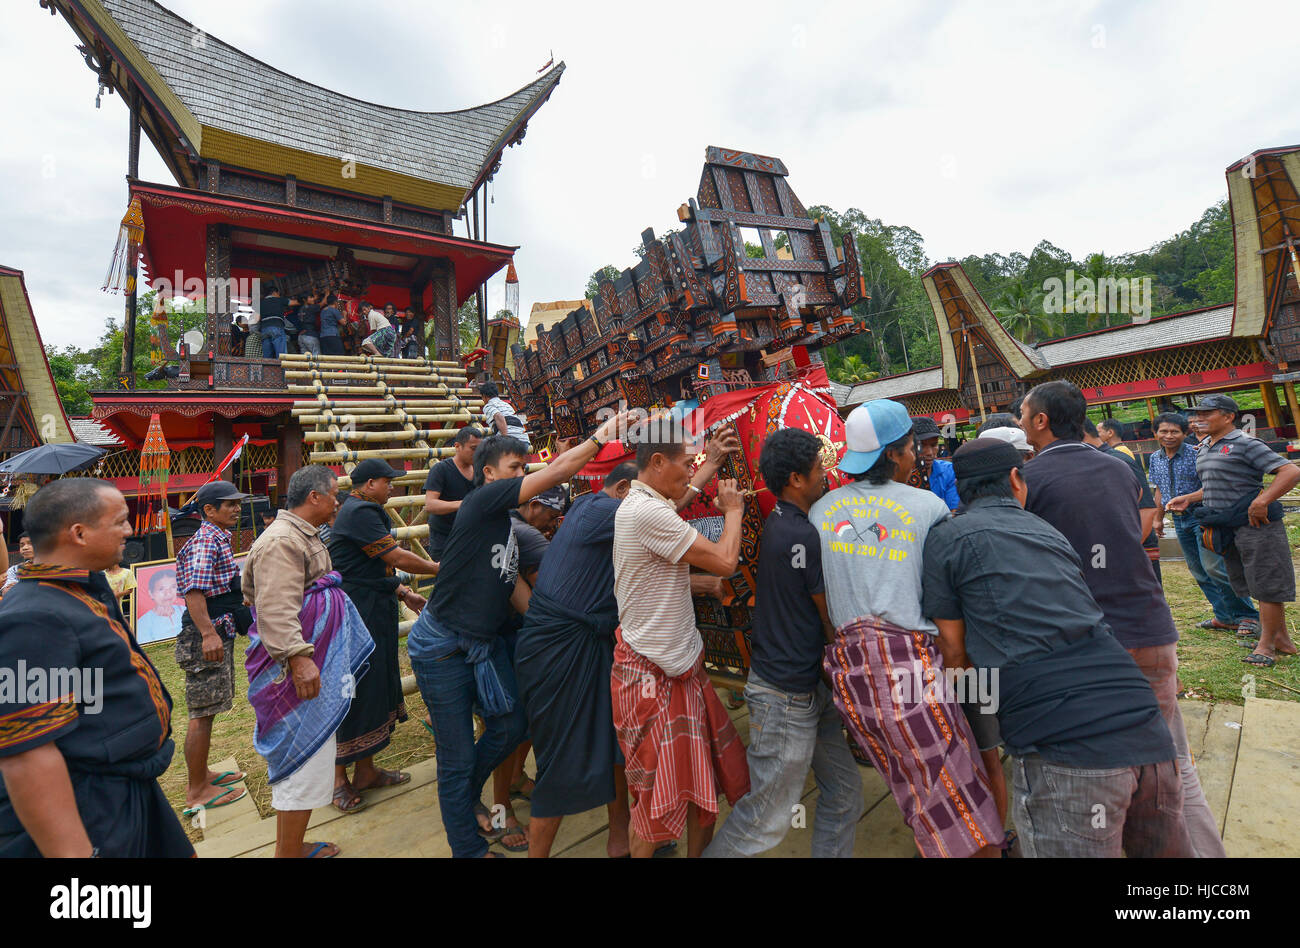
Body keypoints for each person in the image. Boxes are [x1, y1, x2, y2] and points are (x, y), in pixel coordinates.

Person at [922, 439, 1194, 857]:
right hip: (1145, 728)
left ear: (959, 489)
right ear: (1016, 479)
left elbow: (954, 651)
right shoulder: (1048, 532)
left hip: (1064, 742)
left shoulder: (948, 536)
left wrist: (959, 712)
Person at [407, 413, 631, 857]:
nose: (523, 476)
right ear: (488, 474)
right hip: (442, 646)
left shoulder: (505, 527)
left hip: (478, 644)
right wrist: (599, 437)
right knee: (456, 758)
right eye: (515, 469)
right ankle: (468, 847)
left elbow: (514, 589)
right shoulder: (479, 503)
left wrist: (558, 629)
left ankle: (465, 794)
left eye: (523, 469)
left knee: (511, 724)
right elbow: (559, 470)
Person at [1018, 380, 1225, 857]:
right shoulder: (1118, 468)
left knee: (1102, 768)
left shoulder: (1031, 480)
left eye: (1025, 416)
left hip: (1093, 641)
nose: (1022, 424)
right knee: (1169, 761)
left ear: (1042, 421)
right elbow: (1134, 528)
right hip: (1151, 626)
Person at [813, 399, 1003, 858]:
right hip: (915, 671)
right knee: (958, 792)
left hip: (854, 680)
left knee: (912, 786)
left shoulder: (820, 512)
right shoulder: (927, 507)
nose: (918, 455)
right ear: (899, 452)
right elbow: (945, 597)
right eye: (913, 447)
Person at [0, 479, 194, 857]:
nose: (130, 530)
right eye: (119, 521)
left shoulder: (78, 590)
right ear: (79, 533)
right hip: (89, 805)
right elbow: (27, 754)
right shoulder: (33, 617)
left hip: (126, 787)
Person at [704, 428, 862, 858]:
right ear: (795, 479)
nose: (824, 476)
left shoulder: (782, 520)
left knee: (845, 792)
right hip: (786, 696)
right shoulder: (802, 536)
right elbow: (828, 617)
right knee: (765, 820)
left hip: (806, 686)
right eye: (817, 470)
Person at [611, 417, 752, 858]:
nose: (691, 473)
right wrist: (733, 511)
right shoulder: (647, 513)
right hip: (655, 674)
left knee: (699, 784)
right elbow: (726, 563)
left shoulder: (643, 501)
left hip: (675, 668)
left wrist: (709, 464)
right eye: (685, 464)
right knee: (655, 809)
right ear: (656, 461)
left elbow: (679, 500)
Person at [243, 465, 370, 858]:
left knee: (309, 758)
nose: (338, 501)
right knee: (301, 759)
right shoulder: (282, 540)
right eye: (334, 493)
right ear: (314, 497)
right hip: (294, 667)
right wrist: (299, 659)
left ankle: (292, 847)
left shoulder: (300, 534)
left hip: (308, 660)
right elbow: (277, 608)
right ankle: (288, 853)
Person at [515, 464, 637, 857]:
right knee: (561, 761)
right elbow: (662, 519)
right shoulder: (603, 510)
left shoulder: (593, 507)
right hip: (560, 651)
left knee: (615, 744)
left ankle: (619, 840)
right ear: (622, 488)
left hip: (589, 644)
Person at [329, 459, 439, 813]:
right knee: (354, 688)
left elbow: (372, 568)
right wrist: (440, 567)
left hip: (373, 606)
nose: (392, 487)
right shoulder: (360, 512)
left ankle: (365, 771)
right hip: (357, 611)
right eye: (388, 481)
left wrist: (402, 593)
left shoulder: (363, 509)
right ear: (370, 482)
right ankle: (336, 780)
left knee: (374, 687)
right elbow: (393, 556)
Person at [1168, 394, 1300, 668]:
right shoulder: (1205, 446)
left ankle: (1266, 645)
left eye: (1206, 414)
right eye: (1197, 415)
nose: (1199, 419)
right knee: (1252, 582)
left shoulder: (1245, 443)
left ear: (1228, 417)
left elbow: (1290, 471)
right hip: (1227, 525)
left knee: (1266, 583)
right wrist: (1190, 498)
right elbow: (1218, 484)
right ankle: (1282, 640)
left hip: (1255, 524)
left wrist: (1263, 500)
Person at [175, 481, 255, 816]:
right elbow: (194, 591)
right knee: (201, 714)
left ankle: (203, 774)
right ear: (208, 510)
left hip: (217, 630)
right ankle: (197, 791)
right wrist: (208, 634)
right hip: (204, 636)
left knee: (207, 710)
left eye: (238, 503)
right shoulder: (207, 539)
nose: (236, 509)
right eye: (229, 504)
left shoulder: (216, 536)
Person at [1148, 411, 1258, 632]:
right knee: (1198, 569)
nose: (1169, 436)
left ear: (1184, 433)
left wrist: (1189, 499)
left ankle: (1248, 615)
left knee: (1215, 567)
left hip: (1203, 516)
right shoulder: (1154, 458)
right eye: (1164, 431)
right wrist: (1157, 518)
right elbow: (1159, 489)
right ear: (1155, 433)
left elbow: (1211, 486)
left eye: (1174, 431)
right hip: (1178, 520)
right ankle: (1224, 616)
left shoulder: (1197, 454)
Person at [1083, 418, 1162, 582]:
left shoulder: (1118, 459)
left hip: (1134, 546)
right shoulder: (1092, 460)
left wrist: (1127, 550)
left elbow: (1146, 509)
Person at [423, 426, 483, 559]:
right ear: (457, 446)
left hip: (472, 536)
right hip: (445, 538)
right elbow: (430, 505)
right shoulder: (440, 469)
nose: (477, 453)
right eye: (473, 449)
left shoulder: (481, 470)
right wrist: (464, 504)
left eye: (479, 449)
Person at [907, 416, 958, 509]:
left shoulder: (949, 470)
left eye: (933, 445)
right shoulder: (899, 477)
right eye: (922, 445)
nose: (929, 452)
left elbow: (954, 511)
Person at [137, 568, 184, 643]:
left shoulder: (185, 611)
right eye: (161, 589)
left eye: (173, 587)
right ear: (151, 593)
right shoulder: (142, 623)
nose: (168, 593)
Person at [479, 381, 530, 449]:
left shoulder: (488, 406)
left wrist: (505, 439)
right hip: (525, 441)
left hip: (510, 442)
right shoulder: (507, 405)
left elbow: (499, 416)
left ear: (484, 396)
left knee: (481, 444)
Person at [259, 286, 290, 359]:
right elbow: (294, 302)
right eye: (279, 294)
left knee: (267, 356)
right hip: (277, 327)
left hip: (264, 329)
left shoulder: (261, 303)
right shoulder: (279, 300)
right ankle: (282, 370)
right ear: (275, 292)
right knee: (281, 355)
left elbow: (258, 318)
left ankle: (267, 370)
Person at [297, 291, 322, 358]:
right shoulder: (310, 308)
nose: (312, 299)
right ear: (304, 300)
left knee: (305, 359)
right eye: (310, 298)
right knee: (316, 357)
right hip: (310, 336)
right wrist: (327, 294)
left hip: (301, 336)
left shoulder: (300, 309)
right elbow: (322, 303)